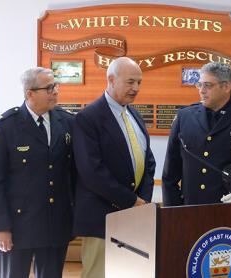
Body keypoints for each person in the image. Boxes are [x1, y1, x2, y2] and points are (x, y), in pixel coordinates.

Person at [0, 67, 74, 278]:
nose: (55, 91)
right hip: (17, 226)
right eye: (49, 88)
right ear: (30, 93)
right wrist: (0, 227)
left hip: (55, 224)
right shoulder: (4, 127)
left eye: (56, 86)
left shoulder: (67, 122)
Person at [72, 57, 156, 278]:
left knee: (129, 272)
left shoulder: (134, 115)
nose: (136, 88)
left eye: (139, 82)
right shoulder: (88, 118)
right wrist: (132, 201)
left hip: (133, 215)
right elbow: (92, 172)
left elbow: (148, 162)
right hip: (101, 218)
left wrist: (142, 201)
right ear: (111, 79)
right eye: (130, 82)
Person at [162, 62, 231, 206]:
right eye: (199, 85)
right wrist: (173, 211)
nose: (201, 91)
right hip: (190, 210)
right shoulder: (184, 117)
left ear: (226, 87)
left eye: (207, 85)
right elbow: (170, 173)